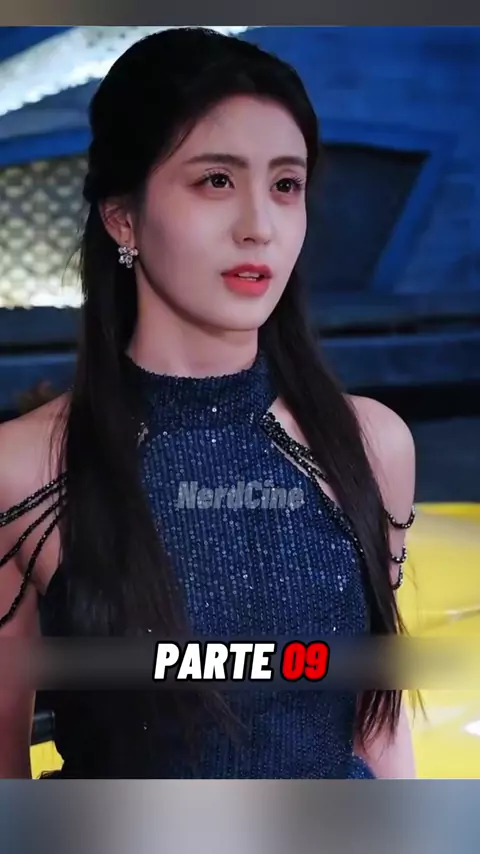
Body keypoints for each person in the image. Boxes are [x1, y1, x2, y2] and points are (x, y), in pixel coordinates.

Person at [0, 27, 416, 779]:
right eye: (216, 180)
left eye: (285, 185)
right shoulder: (25, 472)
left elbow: (378, 735)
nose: (259, 226)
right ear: (122, 216)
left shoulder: (371, 443)